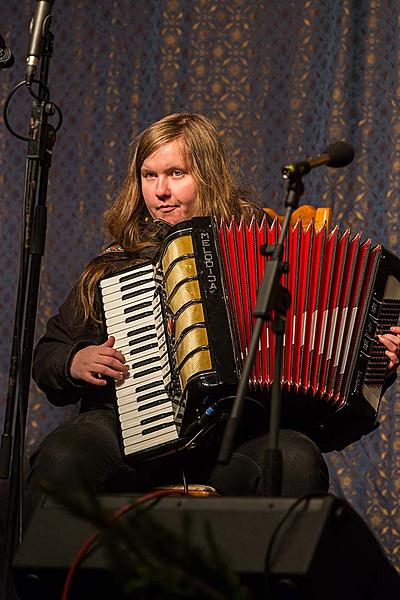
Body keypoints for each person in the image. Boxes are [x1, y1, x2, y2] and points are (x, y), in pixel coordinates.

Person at [26, 113, 400, 518]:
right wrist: (74, 360)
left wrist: (377, 359)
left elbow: (323, 340)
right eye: (148, 176)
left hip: (236, 443)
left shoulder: (266, 250)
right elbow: (49, 354)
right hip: (129, 433)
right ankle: (53, 581)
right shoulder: (118, 265)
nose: (161, 191)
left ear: (207, 175)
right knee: (63, 455)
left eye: (176, 173)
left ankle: (267, 582)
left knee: (295, 459)